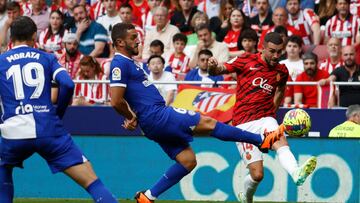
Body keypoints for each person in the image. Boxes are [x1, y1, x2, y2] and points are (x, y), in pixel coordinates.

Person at [109, 22, 284, 203]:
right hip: (157, 116)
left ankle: (148, 196)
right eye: (133, 38)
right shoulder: (119, 64)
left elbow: (130, 98)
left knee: (188, 161)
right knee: (208, 123)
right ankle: (262, 141)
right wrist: (130, 116)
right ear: (120, 42)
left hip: (153, 120)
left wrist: (134, 116)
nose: (138, 41)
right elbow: (115, 100)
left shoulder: (130, 63)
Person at [0, 16, 117, 203]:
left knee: (3, 167)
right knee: (92, 181)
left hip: (14, 132)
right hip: (48, 128)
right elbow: (68, 84)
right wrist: (59, 113)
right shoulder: (47, 58)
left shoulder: (2, 60)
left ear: (11, 38)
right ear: (34, 36)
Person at [207, 32, 317, 203]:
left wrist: (273, 111)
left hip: (265, 119)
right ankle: (246, 197)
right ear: (262, 48)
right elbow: (218, 70)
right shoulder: (245, 60)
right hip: (242, 125)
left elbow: (280, 90)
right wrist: (212, 66)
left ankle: (296, 172)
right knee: (257, 175)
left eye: (279, 52)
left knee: (280, 141)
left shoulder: (281, 70)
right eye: (272, 51)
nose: (275, 56)